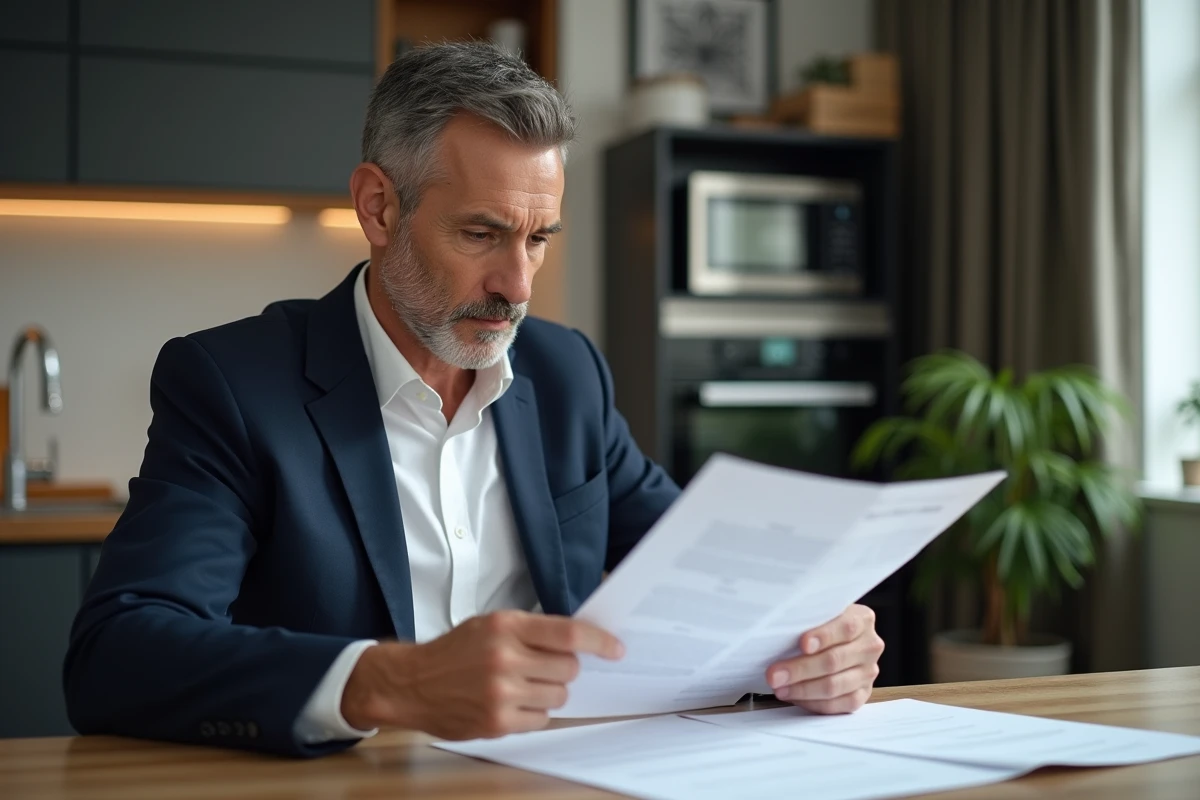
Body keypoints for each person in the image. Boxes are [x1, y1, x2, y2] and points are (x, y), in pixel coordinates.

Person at [63, 42, 885, 758]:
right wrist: (389, 682)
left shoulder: (567, 373)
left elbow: (709, 574)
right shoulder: (233, 384)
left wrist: (811, 637)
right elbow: (116, 655)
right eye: (482, 234)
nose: (517, 286)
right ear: (379, 208)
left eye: (538, 238)